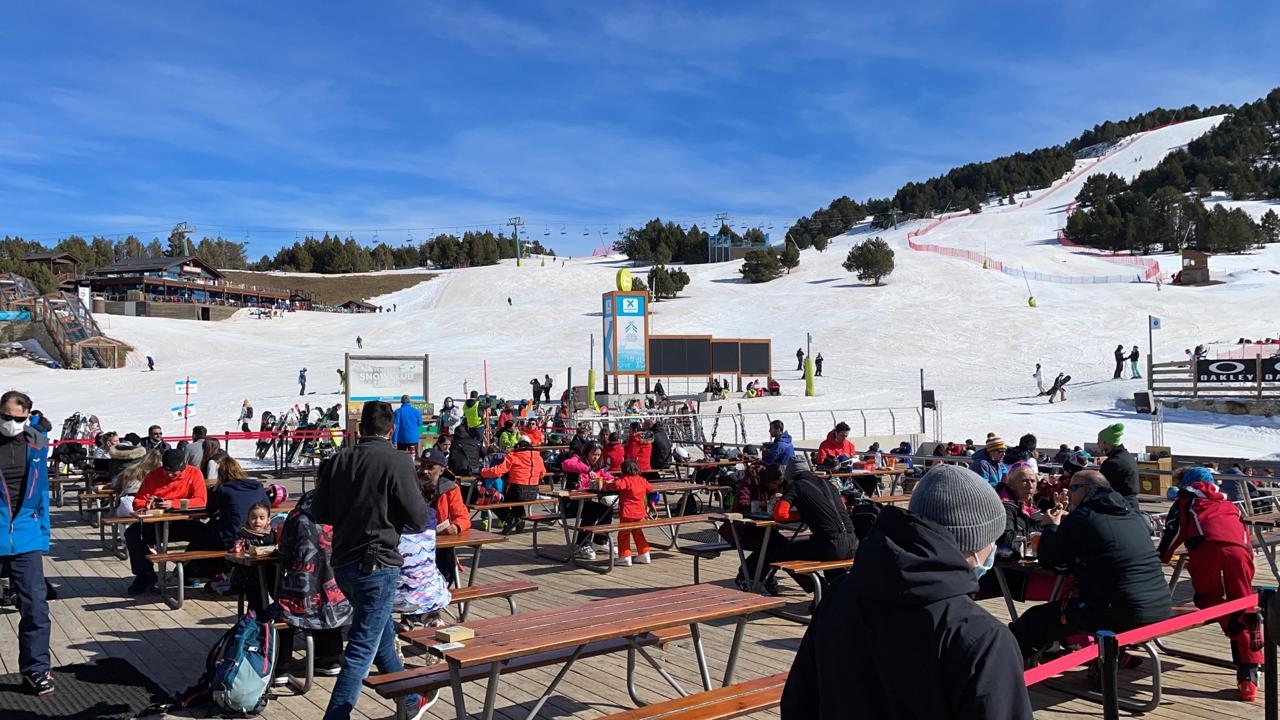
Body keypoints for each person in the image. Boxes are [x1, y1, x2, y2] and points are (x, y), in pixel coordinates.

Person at [782, 465, 1032, 719]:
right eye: (993, 540)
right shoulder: (982, 639)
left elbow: (799, 703)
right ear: (973, 543)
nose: (992, 550)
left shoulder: (839, 594)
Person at [311, 400, 433, 720]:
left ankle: (408, 700)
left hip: (343, 563)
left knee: (380, 636)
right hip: (377, 564)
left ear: (359, 428)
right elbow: (419, 519)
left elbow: (319, 513)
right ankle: (336, 716)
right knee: (362, 649)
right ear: (391, 430)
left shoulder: (338, 460)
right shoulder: (397, 461)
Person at [1009, 471, 1172, 663]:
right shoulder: (1131, 514)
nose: (1069, 493)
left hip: (1121, 612)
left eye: (1074, 488)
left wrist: (1051, 526)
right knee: (1066, 609)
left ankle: (1009, 671)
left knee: (1034, 620)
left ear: (1089, 490)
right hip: (1161, 604)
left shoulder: (1084, 517)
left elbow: (1048, 558)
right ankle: (1105, 662)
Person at [1158, 467, 1264, 701]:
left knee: (1207, 599)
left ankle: (1237, 626)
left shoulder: (1187, 500)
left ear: (1186, 482)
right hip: (1242, 551)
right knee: (1243, 603)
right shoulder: (1228, 503)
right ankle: (1248, 681)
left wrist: (1162, 557)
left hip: (1207, 549)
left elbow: (1174, 532)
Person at [0, 390, 54, 696]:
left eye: (18, 418)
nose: (11, 423)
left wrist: (43, 535)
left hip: (25, 536)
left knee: (35, 608)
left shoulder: (36, 443)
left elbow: (42, 492)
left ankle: (36, 669)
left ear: (28, 416)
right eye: (5, 417)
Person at [274, 490, 349, 683]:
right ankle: (330, 657)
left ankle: (281, 665)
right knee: (330, 591)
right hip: (340, 596)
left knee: (282, 600)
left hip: (301, 598)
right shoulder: (346, 511)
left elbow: (285, 553)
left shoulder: (297, 516)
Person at [746, 470, 855, 601]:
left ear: (791, 477)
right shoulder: (830, 485)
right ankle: (839, 593)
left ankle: (820, 588)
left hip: (831, 544)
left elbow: (779, 514)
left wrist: (800, 514)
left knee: (784, 553)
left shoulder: (796, 486)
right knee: (831, 559)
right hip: (853, 543)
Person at [124, 448, 216, 594]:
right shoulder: (154, 476)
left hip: (184, 522)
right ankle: (145, 575)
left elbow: (201, 501)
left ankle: (188, 570)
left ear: (183, 467)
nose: (171, 474)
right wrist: (148, 505)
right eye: (167, 471)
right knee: (132, 533)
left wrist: (173, 504)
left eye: (175, 471)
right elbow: (138, 502)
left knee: (208, 534)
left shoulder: (194, 473)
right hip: (157, 523)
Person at [393, 474, 451, 633]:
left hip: (398, 595)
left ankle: (407, 620)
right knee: (429, 571)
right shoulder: (431, 517)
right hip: (430, 591)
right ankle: (430, 617)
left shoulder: (394, 522)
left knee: (398, 574)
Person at [422, 449, 469, 586]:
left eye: (430, 467)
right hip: (414, 543)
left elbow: (463, 516)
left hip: (440, 543)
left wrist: (456, 526)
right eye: (423, 466)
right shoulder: (409, 485)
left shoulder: (450, 489)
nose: (425, 471)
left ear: (441, 470)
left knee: (446, 563)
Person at [561, 442, 616, 559]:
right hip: (569, 503)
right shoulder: (577, 459)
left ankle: (600, 541)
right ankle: (582, 544)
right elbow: (566, 464)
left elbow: (608, 477)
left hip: (584, 501)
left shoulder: (597, 468)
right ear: (586, 452)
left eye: (598, 455)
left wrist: (616, 481)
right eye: (593, 454)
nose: (595, 457)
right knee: (591, 511)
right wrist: (586, 469)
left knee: (606, 509)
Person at [480, 437, 546, 534]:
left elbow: (498, 471)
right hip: (532, 492)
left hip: (517, 490)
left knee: (493, 500)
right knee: (517, 500)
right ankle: (520, 520)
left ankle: (510, 519)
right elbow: (542, 473)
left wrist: (483, 472)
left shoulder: (514, 455)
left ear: (519, 447)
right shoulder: (538, 458)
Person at [204, 456, 269, 551]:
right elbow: (267, 507)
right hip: (255, 533)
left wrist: (214, 490)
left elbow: (210, 510)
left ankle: (188, 562)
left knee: (202, 532)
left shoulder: (224, 489)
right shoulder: (257, 486)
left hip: (232, 536)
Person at [606, 459, 654, 566]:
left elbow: (616, 486)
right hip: (640, 512)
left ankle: (625, 556)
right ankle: (644, 553)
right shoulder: (642, 480)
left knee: (623, 534)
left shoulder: (626, 480)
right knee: (638, 533)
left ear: (623, 471)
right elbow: (650, 488)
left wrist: (609, 484)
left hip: (627, 512)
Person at [1097, 422, 1139, 508]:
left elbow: (1102, 488)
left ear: (1106, 443)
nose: (1097, 445)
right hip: (1130, 504)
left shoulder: (1113, 463)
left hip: (1120, 506)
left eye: (1099, 442)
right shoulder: (1126, 456)